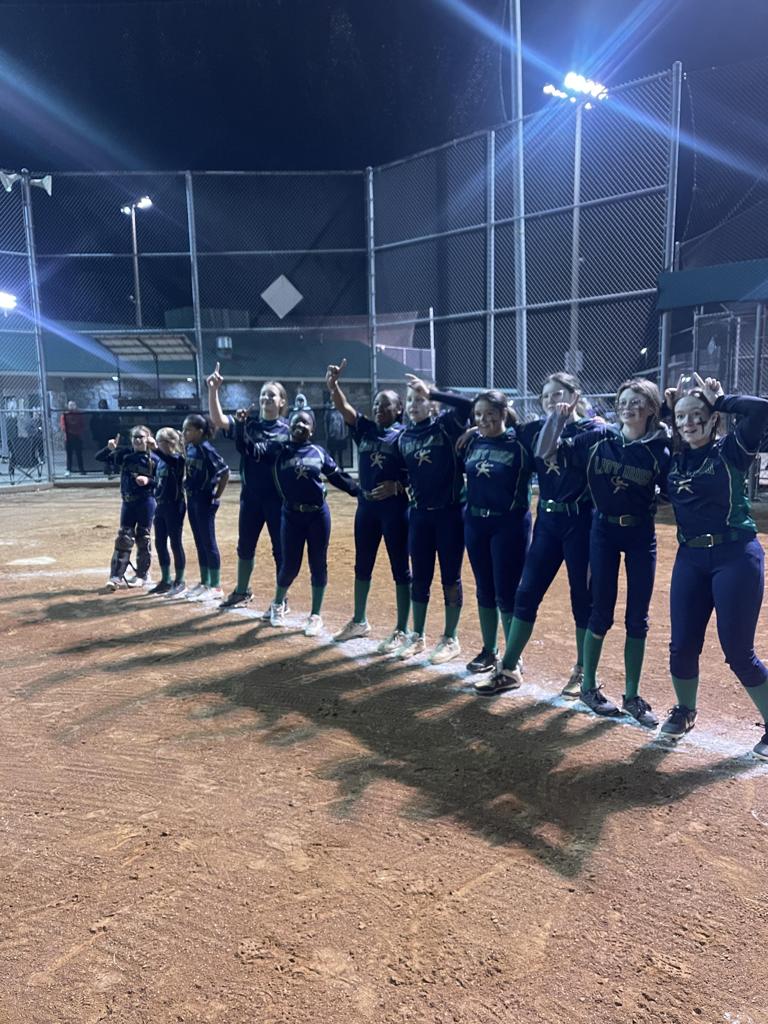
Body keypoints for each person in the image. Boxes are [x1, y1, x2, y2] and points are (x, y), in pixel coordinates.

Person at [535, 378, 671, 727]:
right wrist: (557, 419)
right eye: (623, 401)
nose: (628, 407)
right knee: (601, 612)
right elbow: (545, 452)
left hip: (640, 534)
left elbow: (671, 491)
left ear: (651, 408)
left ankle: (632, 695)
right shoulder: (599, 438)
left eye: (637, 401)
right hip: (603, 532)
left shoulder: (660, 448)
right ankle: (589, 687)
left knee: (637, 617)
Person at [660, 373, 768, 759]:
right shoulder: (673, 456)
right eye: (681, 416)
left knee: (738, 651)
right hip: (690, 557)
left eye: (697, 415)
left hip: (735, 555)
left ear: (713, 419)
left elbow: (761, 410)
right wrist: (666, 409)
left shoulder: (731, 450)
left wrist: (720, 399)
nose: (688, 422)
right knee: (681, 645)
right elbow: (640, 431)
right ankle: (685, 710)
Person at [476, 373, 598, 696]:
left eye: (558, 394)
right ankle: (508, 668)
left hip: (581, 523)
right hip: (547, 523)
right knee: (526, 593)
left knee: (582, 599)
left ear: (575, 395)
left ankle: (583, 671)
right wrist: (472, 432)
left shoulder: (593, 430)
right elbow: (497, 427)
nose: (551, 400)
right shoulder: (533, 430)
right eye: (545, 396)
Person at [325, 358, 411, 652]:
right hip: (367, 508)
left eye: (385, 405)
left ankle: (402, 629)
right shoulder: (366, 429)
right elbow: (345, 409)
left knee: (400, 568)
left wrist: (398, 486)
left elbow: (420, 474)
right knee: (363, 564)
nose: (378, 409)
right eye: (376, 404)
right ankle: (359, 621)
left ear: (399, 409)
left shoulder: (405, 437)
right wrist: (334, 386)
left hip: (394, 510)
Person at [256, 408, 360, 636]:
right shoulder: (279, 451)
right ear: (289, 426)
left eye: (306, 423)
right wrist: (242, 428)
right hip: (291, 515)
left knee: (318, 563)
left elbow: (337, 477)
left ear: (312, 430)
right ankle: (278, 604)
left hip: (317, 515)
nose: (301, 425)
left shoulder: (318, 452)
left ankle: (315, 615)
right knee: (289, 566)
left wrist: (360, 492)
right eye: (296, 421)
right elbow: (250, 450)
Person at [393, 374, 472, 664]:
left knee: (450, 577)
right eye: (410, 400)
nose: (414, 404)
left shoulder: (446, 426)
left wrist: (433, 392)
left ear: (432, 405)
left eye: (420, 399)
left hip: (450, 514)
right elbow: (403, 473)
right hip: (419, 516)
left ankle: (451, 637)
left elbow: (467, 405)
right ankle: (417, 635)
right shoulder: (403, 437)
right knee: (420, 577)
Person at [458, 390, 533, 680]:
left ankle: (514, 655)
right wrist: (472, 430)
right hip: (476, 522)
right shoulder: (473, 441)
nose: (483, 419)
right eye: (478, 414)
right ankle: (489, 650)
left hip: (509, 524)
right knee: (484, 589)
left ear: (503, 413)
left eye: (490, 413)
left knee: (506, 592)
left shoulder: (519, 444)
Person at [206, 364, 290, 611]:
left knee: (280, 549)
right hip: (251, 497)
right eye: (263, 394)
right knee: (245, 546)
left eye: (272, 395)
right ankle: (242, 591)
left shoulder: (287, 430)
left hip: (277, 499)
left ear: (282, 401)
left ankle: (281, 598)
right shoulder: (249, 425)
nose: (266, 398)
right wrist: (213, 390)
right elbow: (219, 420)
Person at [96, 425, 158, 590]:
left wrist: (148, 481)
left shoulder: (154, 458)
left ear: (148, 439)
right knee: (124, 536)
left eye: (141, 437)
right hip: (128, 502)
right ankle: (116, 576)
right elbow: (100, 458)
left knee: (143, 537)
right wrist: (109, 449)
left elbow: (162, 481)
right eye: (134, 437)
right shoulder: (125, 455)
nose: (137, 440)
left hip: (145, 501)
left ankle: (142, 575)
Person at [182, 414, 230, 603]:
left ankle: (216, 586)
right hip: (192, 498)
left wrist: (217, 495)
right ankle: (205, 582)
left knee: (208, 542)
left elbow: (224, 472)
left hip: (204, 500)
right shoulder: (191, 448)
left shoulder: (206, 449)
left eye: (188, 430)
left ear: (200, 431)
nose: (184, 433)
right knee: (199, 541)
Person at [149, 427, 187, 597]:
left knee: (175, 543)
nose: (157, 444)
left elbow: (170, 461)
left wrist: (155, 450)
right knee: (160, 543)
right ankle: (166, 579)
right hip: (161, 506)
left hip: (175, 505)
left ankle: (180, 580)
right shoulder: (160, 462)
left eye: (160, 441)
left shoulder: (177, 459)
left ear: (170, 443)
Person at [61, 400, 86, 476]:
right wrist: (69, 431)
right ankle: (68, 470)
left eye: (73, 405)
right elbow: (63, 426)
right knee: (69, 455)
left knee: (79, 454)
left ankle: (81, 469)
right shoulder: (64, 415)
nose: (72, 407)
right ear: (68, 406)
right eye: (70, 405)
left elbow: (82, 425)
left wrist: (77, 431)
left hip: (77, 437)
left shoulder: (79, 415)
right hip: (68, 437)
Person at [324, 402, 350, 469]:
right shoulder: (329, 412)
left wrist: (345, 434)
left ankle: (341, 468)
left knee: (340, 454)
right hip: (332, 436)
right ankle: (332, 468)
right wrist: (328, 435)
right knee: (332, 453)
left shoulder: (341, 412)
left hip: (341, 436)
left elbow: (345, 423)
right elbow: (326, 425)